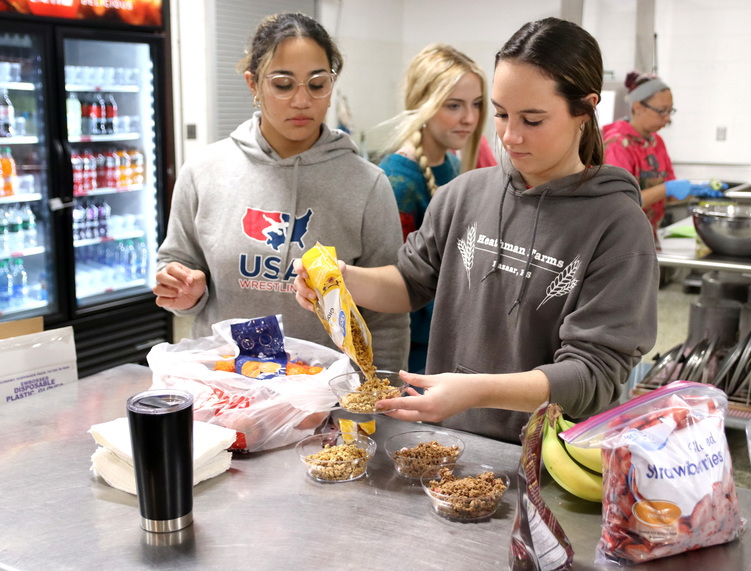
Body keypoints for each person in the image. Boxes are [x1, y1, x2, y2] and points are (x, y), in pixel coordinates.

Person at [294, 17, 659, 443]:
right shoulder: (464, 194)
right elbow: (410, 282)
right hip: (444, 445)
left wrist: (476, 392)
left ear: (585, 109)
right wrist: (343, 280)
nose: (510, 136)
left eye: (533, 120)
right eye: (502, 115)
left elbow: (591, 377)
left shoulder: (617, 227)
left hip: (546, 460)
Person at [154, 12, 409, 372]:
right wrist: (183, 292)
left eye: (317, 84)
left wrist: (379, 398)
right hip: (227, 387)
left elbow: (388, 316)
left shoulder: (367, 184)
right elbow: (175, 268)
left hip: (322, 398)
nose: (302, 101)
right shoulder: (204, 171)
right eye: (283, 84)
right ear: (253, 85)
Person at [378, 43, 487, 373]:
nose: (469, 118)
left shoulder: (452, 165)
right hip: (415, 353)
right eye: (454, 105)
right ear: (422, 105)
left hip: (450, 340)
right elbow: (392, 287)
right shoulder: (398, 181)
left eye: (477, 105)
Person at [603, 71, 723, 241]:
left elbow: (669, 196)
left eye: (670, 111)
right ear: (637, 107)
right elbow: (621, 202)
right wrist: (668, 188)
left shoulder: (656, 142)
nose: (667, 118)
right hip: (620, 239)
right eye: (661, 111)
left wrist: (697, 190)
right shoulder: (617, 144)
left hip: (648, 236)